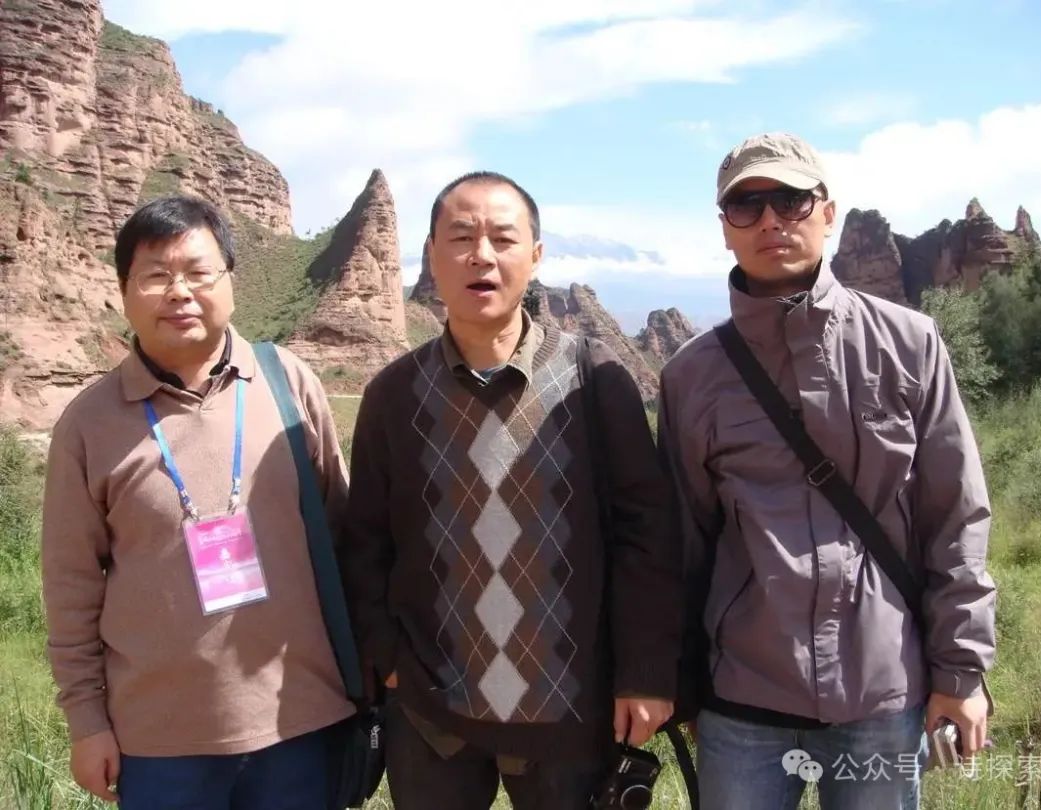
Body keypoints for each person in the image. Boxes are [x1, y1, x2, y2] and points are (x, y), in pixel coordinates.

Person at [658, 133, 996, 810]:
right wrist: (683, 684)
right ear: (724, 228)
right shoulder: (691, 376)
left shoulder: (909, 345)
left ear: (829, 213)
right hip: (742, 701)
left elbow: (955, 517)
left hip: (883, 693)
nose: (771, 220)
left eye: (791, 200)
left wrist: (960, 672)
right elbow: (682, 546)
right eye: (747, 206)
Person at [341, 171, 682, 810]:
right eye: (461, 238)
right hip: (432, 714)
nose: (482, 255)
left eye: (502, 238)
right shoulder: (394, 394)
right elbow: (365, 541)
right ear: (431, 256)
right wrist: (387, 658)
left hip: (571, 711)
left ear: (536, 255)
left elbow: (646, 534)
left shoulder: (595, 378)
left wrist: (645, 672)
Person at [41, 195, 354, 809]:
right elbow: (70, 586)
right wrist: (86, 722)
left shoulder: (289, 383)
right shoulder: (88, 424)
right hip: (158, 744)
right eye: (155, 275)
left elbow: (346, 536)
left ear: (230, 280)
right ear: (124, 291)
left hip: (303, 723)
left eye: (198, 272)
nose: (179, 291)